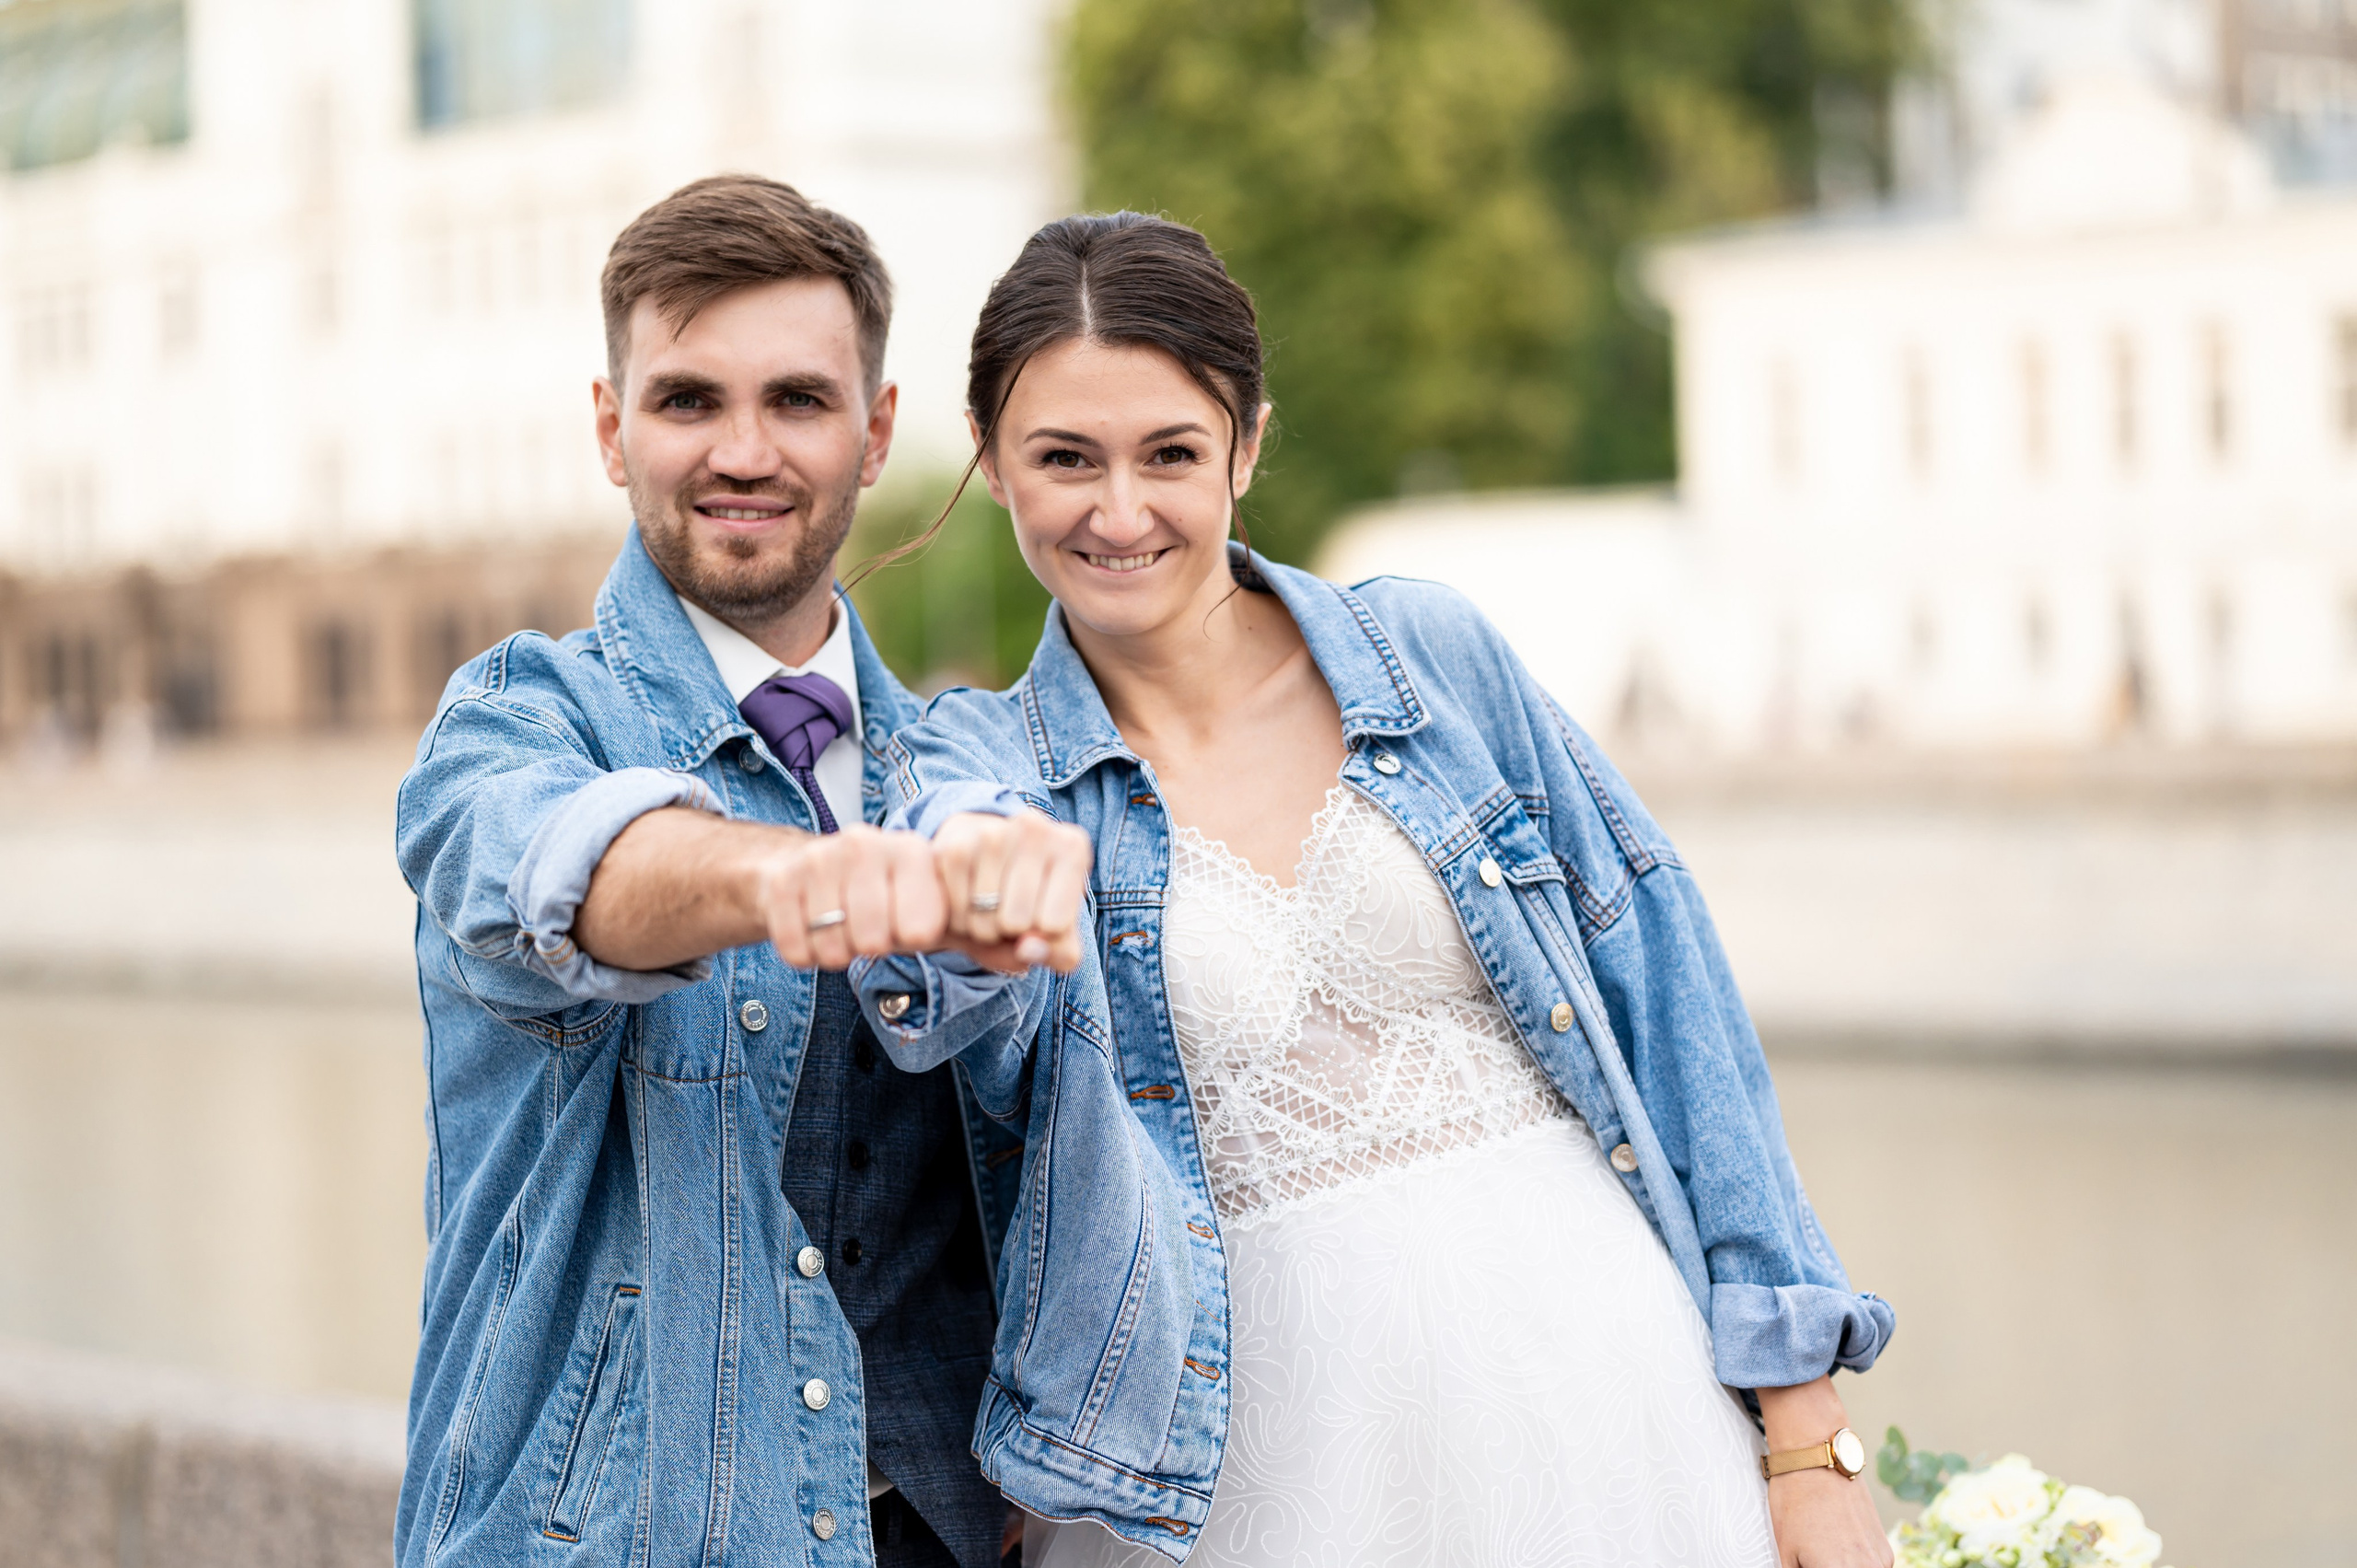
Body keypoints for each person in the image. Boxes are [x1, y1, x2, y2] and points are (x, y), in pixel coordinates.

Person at [849, 213, 1899, 1567]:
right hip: (1246, 1476)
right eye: (1065, 460)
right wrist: (967, 903)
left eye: (1171, 452)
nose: (1120, 512)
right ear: (994, 466)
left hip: (1610, 1408)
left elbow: (1669, 1000)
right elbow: (939, 972)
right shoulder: (980, 767)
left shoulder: (1434, 660)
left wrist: (1807, 1440)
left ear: (1249, 443)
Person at [392, 175, 1059, 1568]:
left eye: (799, 402)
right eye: (689, 400)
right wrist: (786, 882)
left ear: (876, 435)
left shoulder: (951, 762)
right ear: (609, 427)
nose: (743, 451)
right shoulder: (513, 720)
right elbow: (576, 872)